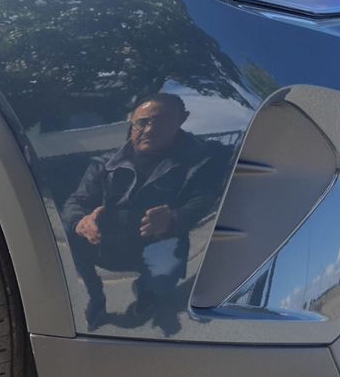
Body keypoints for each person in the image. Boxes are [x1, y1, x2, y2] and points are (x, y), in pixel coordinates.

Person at [62, 93, 230, 330]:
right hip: (109, 240)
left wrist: (175, 218)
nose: (150, 129)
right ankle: (96, 298)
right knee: (71, 232)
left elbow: (203, 200)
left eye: (161, 120)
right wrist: (81, 220)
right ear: (132, 124)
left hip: (159, 243)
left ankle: (147, 292)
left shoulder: (199, 163)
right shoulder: (105, 164)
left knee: (162, 279)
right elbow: (77, 200)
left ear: (182, 119)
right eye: (142, 122)